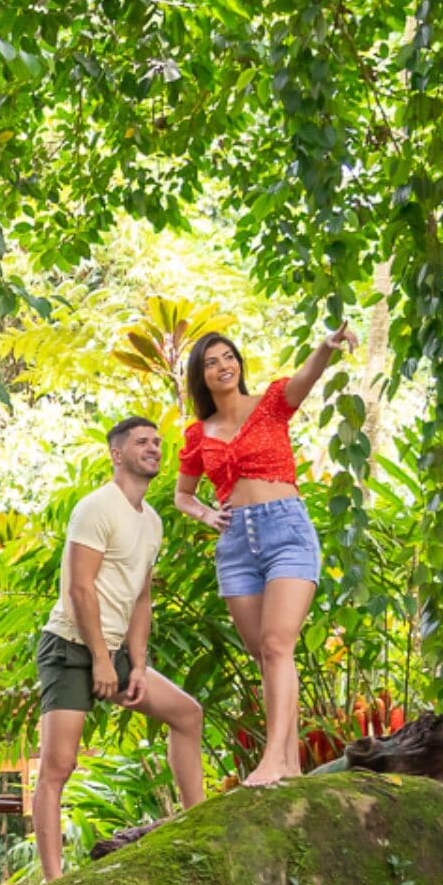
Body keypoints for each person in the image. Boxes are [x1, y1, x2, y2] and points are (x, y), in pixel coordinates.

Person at [172, 325, 354, 788]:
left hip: (286, 531)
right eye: (211, 362)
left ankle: (274, 761)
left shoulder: (270, 404)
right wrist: (206, 516)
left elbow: (305, 379)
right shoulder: (198, 434)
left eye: (228, 356)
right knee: (265, 656)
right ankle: (289, 765)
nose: (222, 366)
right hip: (235, 547)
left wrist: (325, 349)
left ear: (239, 364)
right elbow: (183, 495)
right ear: (201, 376)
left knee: (277, 645)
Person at [32, 415, 208, 881]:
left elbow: (142, 597)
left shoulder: (151, 522)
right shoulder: (97, 507)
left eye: (157, 442)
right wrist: (103, 661)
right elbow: (80, 590)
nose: (153, 448)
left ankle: (202, 827)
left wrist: (138, 663)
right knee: (59, 766)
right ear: (117, 453)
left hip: (117, 649)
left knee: (188, 715)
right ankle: (52, 884)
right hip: (71, 647)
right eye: (141, 442)